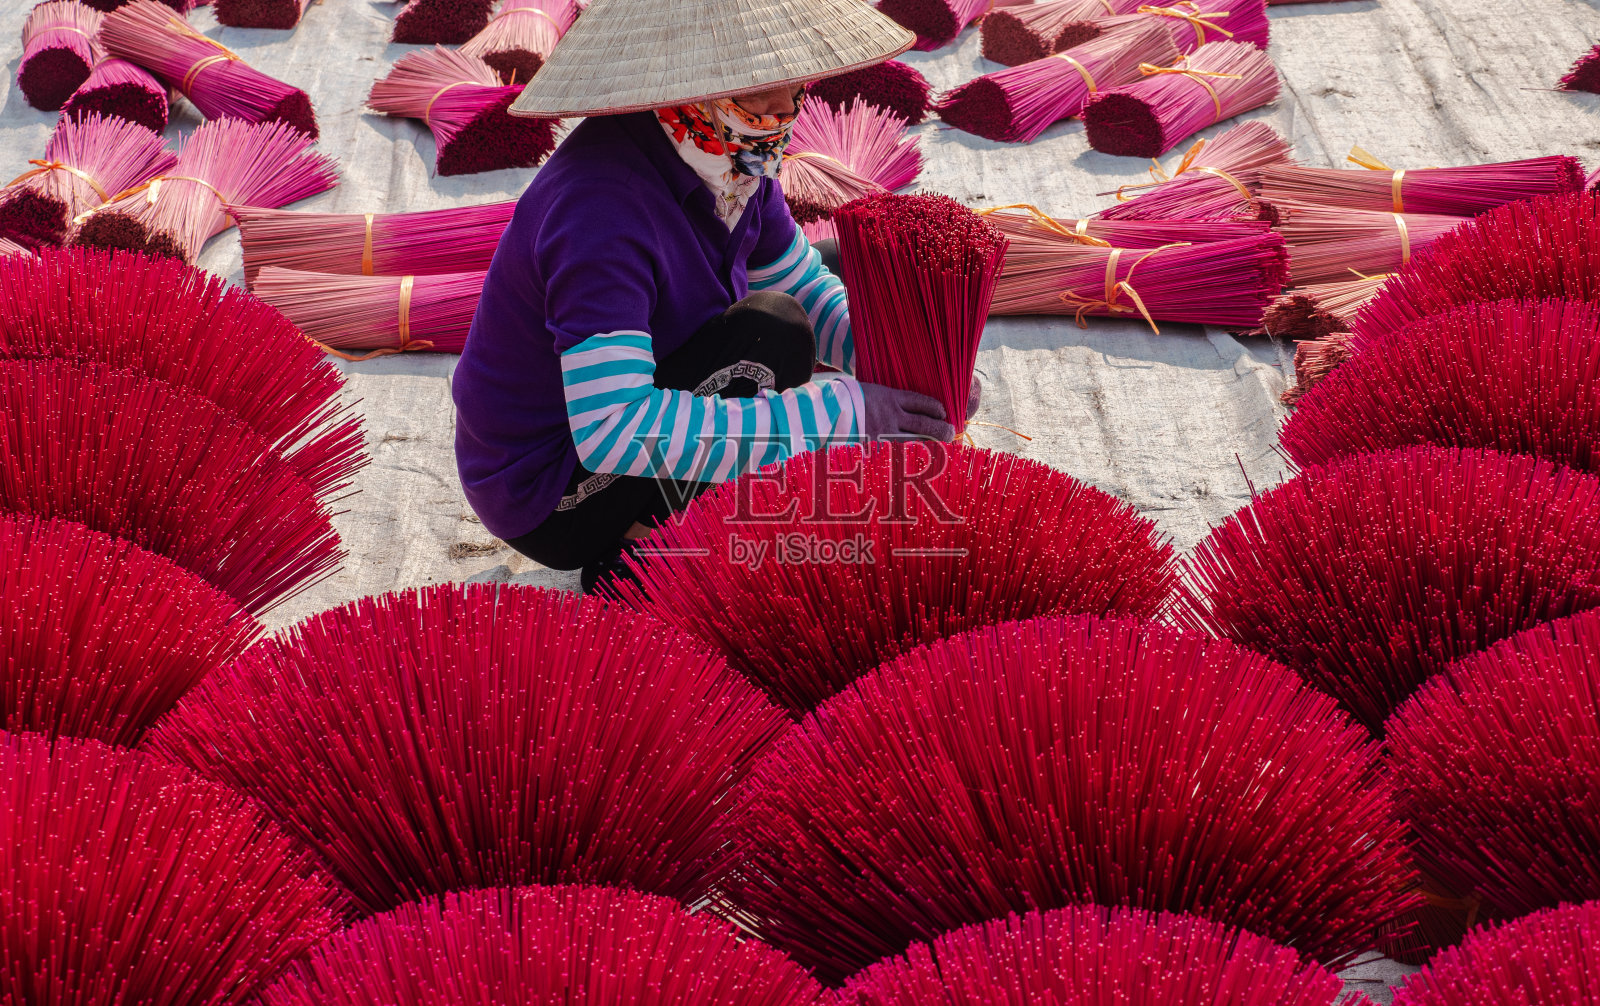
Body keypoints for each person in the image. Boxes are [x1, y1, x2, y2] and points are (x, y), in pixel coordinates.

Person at [453, 0, 971, 592]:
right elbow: (611, 426)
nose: (782, 111)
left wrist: (911, 367)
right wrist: (837, 415)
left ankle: (690, 514)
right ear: (685, 90)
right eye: (756, 93)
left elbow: (797, 277)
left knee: (811, 287)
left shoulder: (733, 159)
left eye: (792, 85)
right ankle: (640, 551)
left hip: (628, 406)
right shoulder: (602, 211)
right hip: (552, 483)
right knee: (771, 332)